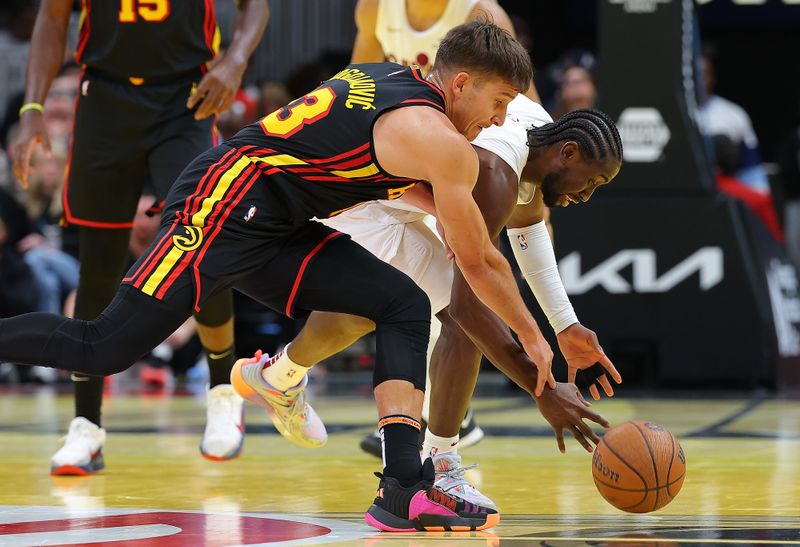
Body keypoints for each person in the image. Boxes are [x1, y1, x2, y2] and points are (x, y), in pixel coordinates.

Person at [3, 21, 547, 532]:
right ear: (461, 83)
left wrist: (447, 210)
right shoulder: (439, 139)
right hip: (220, 206)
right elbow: (478, 262)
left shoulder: (390, 79)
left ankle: (402, 486)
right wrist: (532, 338)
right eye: (498, 102)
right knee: (103, 347)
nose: (499, 120)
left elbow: (363, 162)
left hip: (276, 218)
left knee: (401, 302)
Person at [274, 101, 624, 520]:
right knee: (461, 314)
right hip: (364, 193)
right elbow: (468, 306)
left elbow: (528, 230)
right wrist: (545, 392)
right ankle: (440, 463)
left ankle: (280, 375)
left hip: (403, 194)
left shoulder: (539, 136)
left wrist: (564, 324)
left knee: (377, 310)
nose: (587, 195)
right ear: (568, 154)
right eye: (593, 181)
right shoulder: (495, 173)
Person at [12, 0, 269, 474]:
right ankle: (86, 427)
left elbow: (255, 6)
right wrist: (32, 106)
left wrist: (234, 62)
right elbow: (51, 18)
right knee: (99, 268)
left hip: (185, 98)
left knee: (201, 241)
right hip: (105, 100)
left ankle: (222, 392)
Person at [350, 0, 542, 456]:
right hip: (402, 160)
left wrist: (533, 197)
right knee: (398, 299)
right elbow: (359, 84)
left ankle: (436, 432)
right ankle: (284, 374)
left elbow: (521, 105)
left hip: (463, 163)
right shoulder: (375, 7)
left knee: (448, 295)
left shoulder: (482, 12)